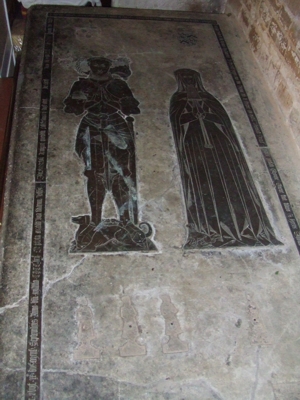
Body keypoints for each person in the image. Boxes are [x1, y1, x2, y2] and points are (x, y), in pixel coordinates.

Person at [170, 68, 281, 248]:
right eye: (186, 78)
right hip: (194, 147)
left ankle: (247, 229)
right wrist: (191, 116)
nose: (189, 81)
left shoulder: (210, 100)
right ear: (181, 81)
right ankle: (210, 232)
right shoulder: (178, 100)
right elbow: (177, 122)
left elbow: (224, 121)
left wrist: (207, 116)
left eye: (192, 77)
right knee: (202, 184)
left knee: (233, 184)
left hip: (221, 147)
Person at [64, 57, 140, 228]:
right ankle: (95, 219)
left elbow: (131, 108)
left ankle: (125, 220)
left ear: (108, 65)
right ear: (89, 65)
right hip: (91, 124)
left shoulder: (119, 85)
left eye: (103, 63)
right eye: (95, 64)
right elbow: (72, 108)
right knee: (94, 172)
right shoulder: (81, 84)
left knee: (121, 170)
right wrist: (82, 102)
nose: (99, 67)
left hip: (115, 123)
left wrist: (121, 102)